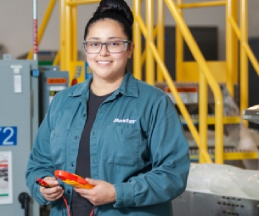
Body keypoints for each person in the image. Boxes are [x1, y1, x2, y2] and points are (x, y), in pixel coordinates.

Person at [25, 0, 190, 215]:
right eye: (94, 44)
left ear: (129, 49)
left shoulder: (154, 103)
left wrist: (117, 193)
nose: (102, 52)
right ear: (86, 49)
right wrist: (43, 186)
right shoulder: (62, 102)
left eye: (113, 44)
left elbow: (173, 174)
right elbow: (37, 164)